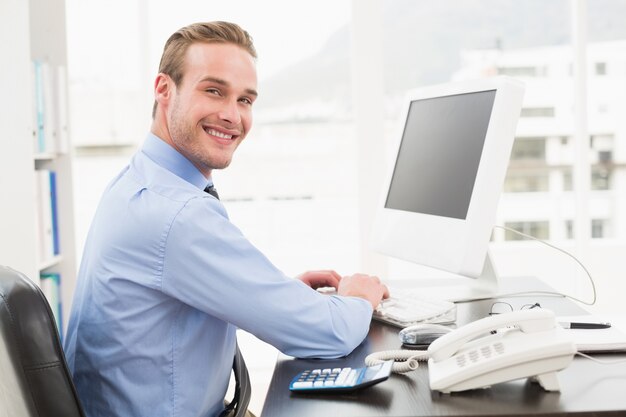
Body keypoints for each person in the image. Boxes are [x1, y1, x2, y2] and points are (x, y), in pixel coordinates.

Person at [63, 21, 389, 417]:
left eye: (245, 100)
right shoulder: (176, 214)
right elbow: (328, 334)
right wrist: (358, 296)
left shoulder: (137, 182)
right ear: (164, 90)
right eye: (214, 91)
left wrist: (271, 293)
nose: (232, 115)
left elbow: (170, 304)